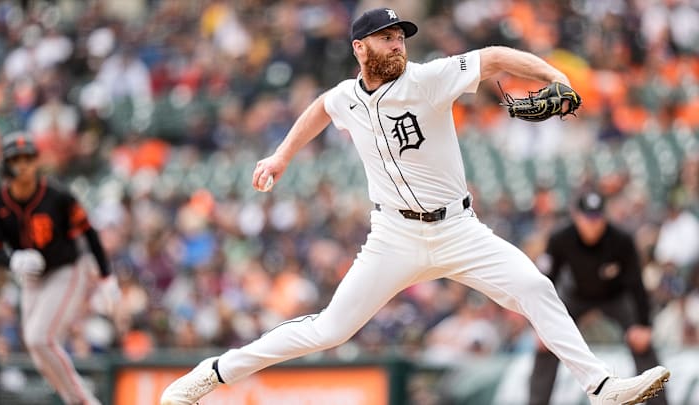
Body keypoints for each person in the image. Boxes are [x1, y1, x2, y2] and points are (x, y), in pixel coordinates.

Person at [161, 8, 669, 405]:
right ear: (360, 47)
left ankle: (600, 386)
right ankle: (211, 375)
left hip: (459, 230)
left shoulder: (428, 79)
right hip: (394, 238)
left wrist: (554, 74)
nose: (398, 43)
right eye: (386, 37)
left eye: (401, 36)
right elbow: (321, 107)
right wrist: (280, 156)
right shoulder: (347, 96)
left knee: (535, 287)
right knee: (330, 330)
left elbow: (492, 55)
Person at [0, 132, 119, 405]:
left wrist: (105, 277)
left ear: (36, 162)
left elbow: (89, 232)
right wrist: (13, 260)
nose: (22, 165)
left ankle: (84, 401)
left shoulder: (58, 195)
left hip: (66, 269)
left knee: (40, 337)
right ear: (6, 164)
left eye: (27, 158)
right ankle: (73, 398)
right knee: (35, 347)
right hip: (32, 277)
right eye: (15, 159)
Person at [529, 190, 668, 405]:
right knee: (546, 342)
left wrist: (643, 324)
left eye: (597, 217)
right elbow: (546, 281)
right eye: (587, 217)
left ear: (605, 216)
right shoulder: (560, 238)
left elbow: (636, 285)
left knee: (642, 342)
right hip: (575, 295)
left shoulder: (621, 239)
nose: (593, 223)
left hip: (615, 296)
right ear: (576, 217)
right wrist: (540, 325)